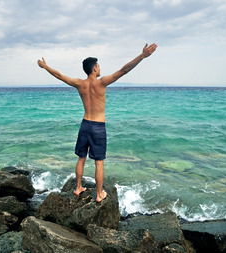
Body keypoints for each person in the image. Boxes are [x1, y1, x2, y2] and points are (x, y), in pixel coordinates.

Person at [37, 43, 157, 202]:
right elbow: (123, 70)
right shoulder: (102, 83)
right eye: (98, 66)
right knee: (99, 163)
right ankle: (99, 194)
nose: (100, 69)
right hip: (98, 127)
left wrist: (45, 66)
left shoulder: (80, 83)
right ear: (94, 68)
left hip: (85, 124)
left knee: (81, 158)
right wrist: (142, 56)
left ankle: (78, 187)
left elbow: (59, 75)